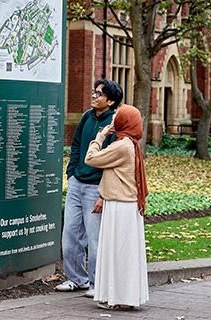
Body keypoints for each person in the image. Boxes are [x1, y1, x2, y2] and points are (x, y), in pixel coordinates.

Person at [56, 80, 123, 296]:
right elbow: (76, 145)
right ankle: (77, 279)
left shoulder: (114, 124)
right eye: (94, 92)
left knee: (95, 241)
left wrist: (103, 194)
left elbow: (113, 161)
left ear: (110, 101)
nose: (94, 96)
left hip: (96, 188)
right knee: (69, 236)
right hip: (77, 183)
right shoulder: (86, 116)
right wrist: (71, 172)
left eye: (99, 94)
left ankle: (97, 284)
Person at [84, 104, 149, 310]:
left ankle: (121, 298)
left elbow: (91, 159)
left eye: (117, 118)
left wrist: (100, 136)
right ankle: (123, 297)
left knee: (118, 254)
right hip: (125, 205)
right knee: (124, 254)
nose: (113, 121)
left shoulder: (122, 146)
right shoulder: (130, 144)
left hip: (120, 207)